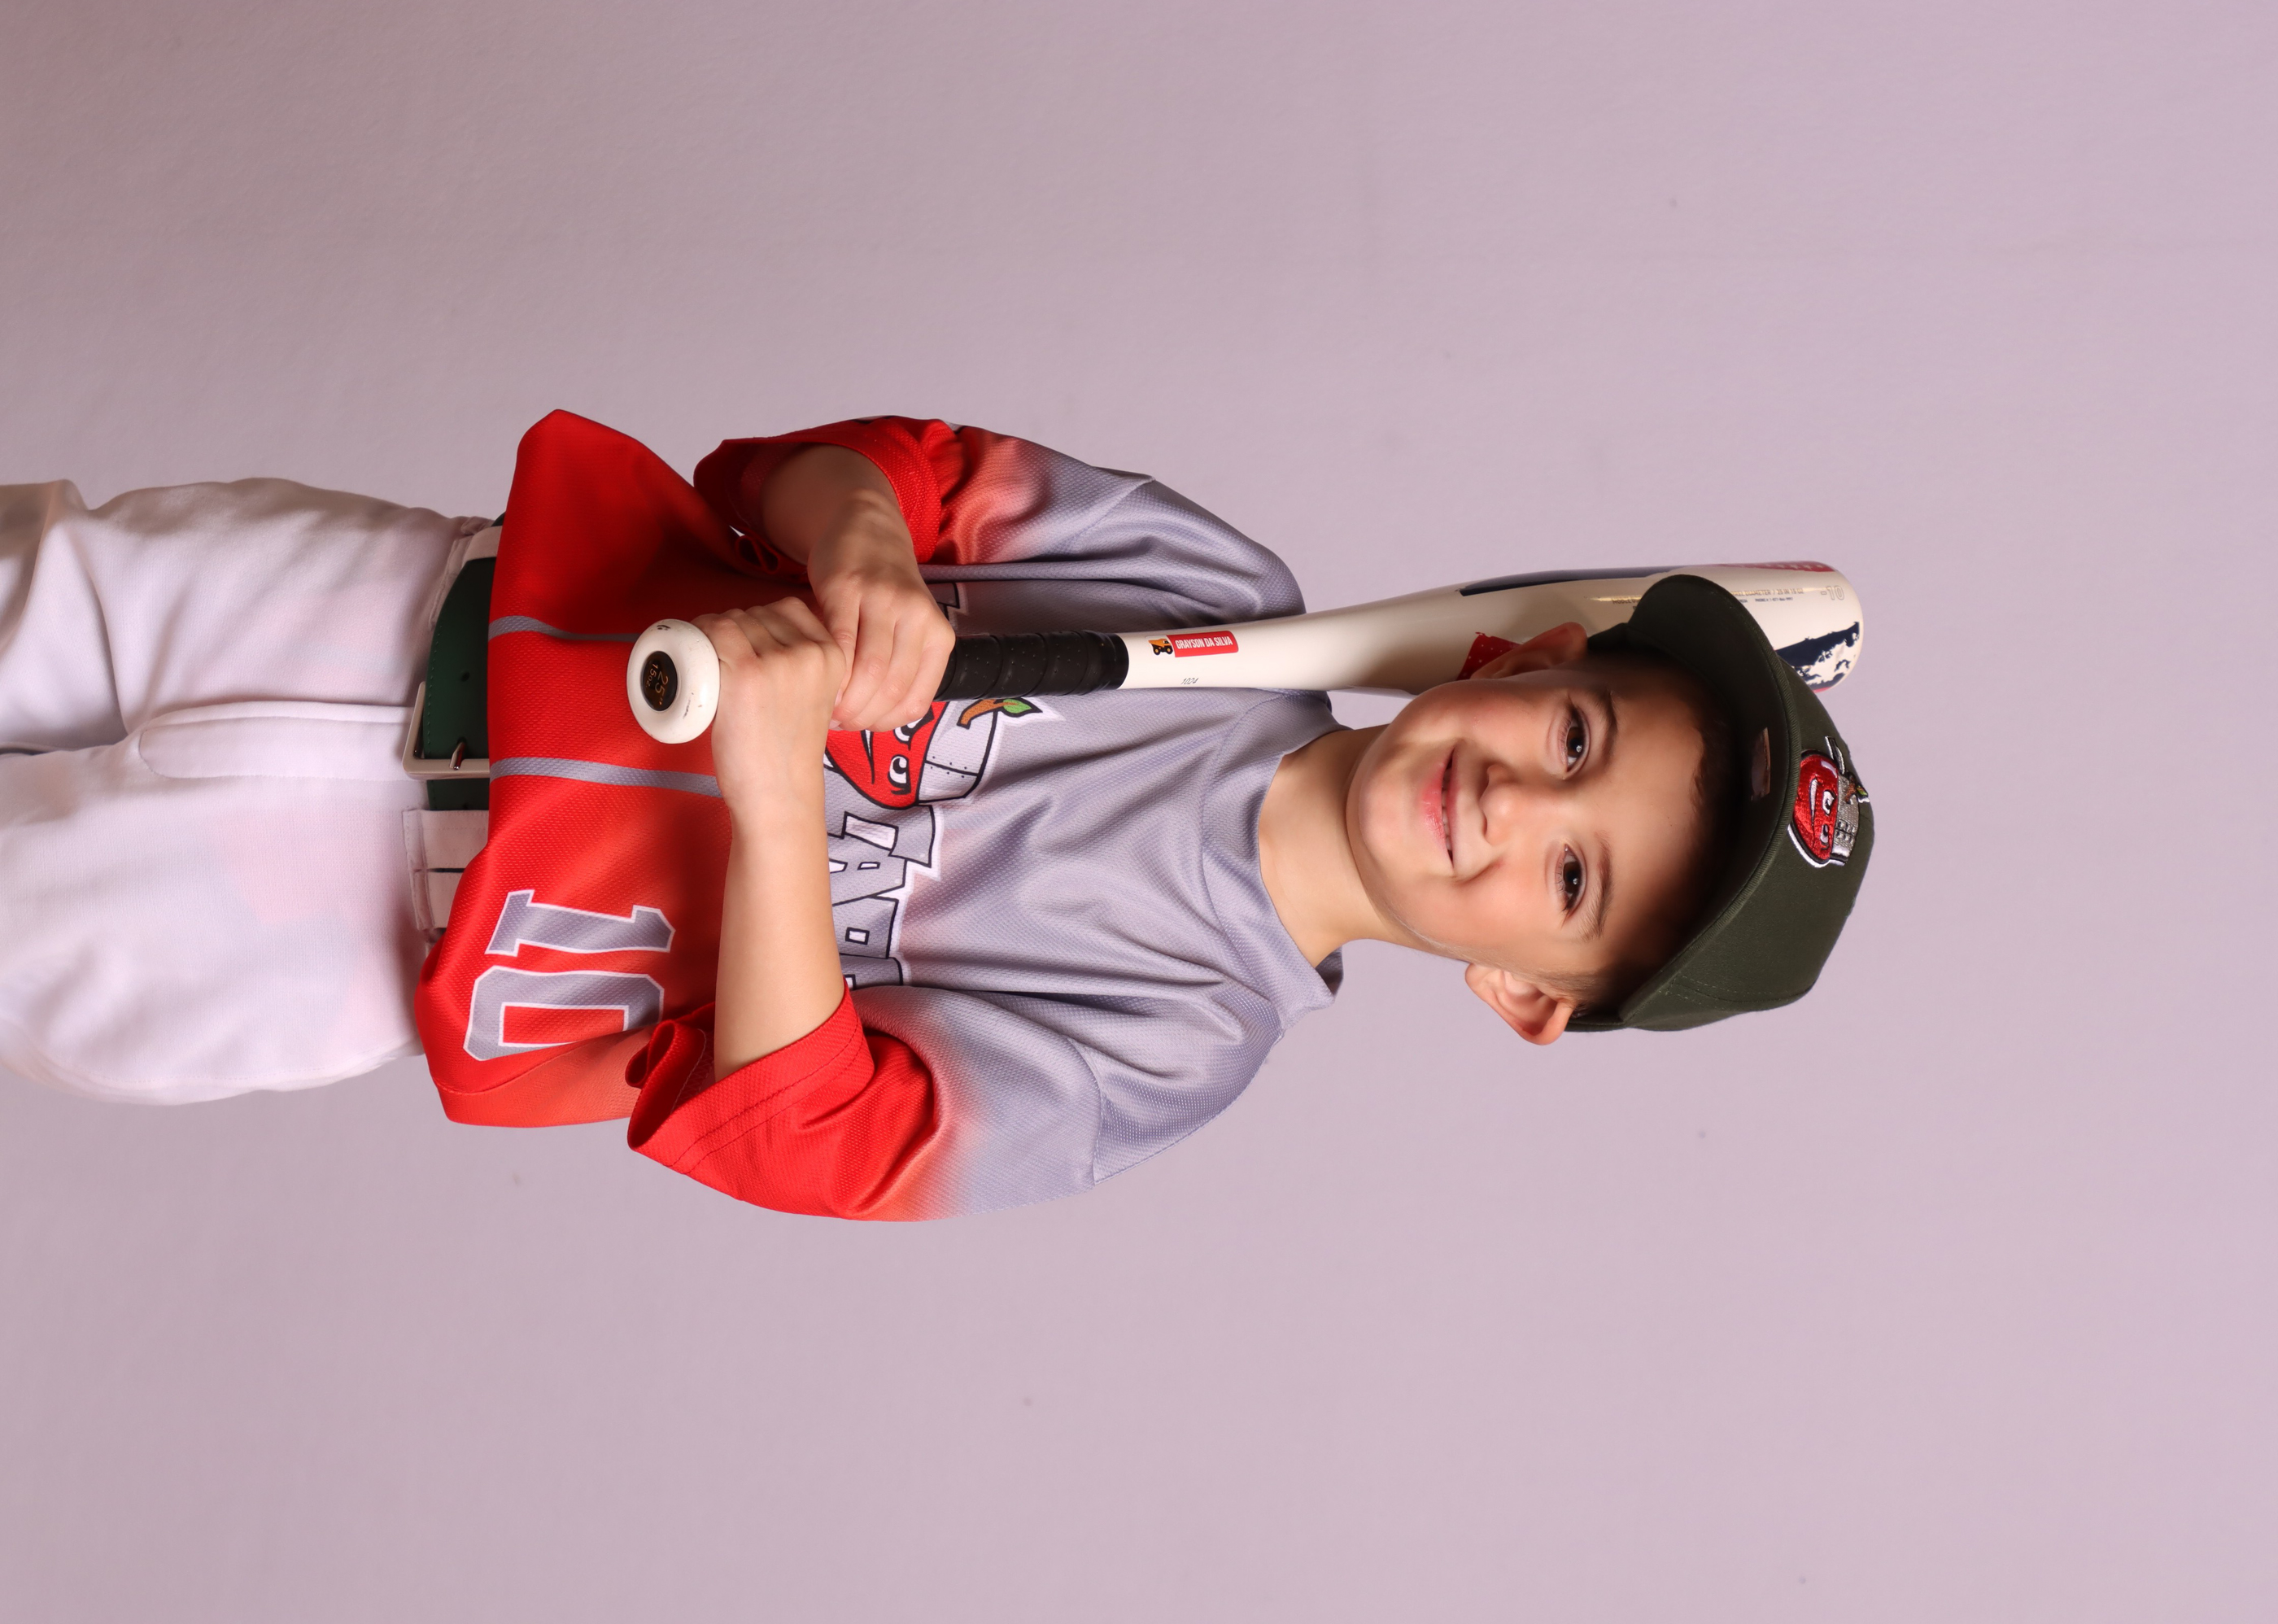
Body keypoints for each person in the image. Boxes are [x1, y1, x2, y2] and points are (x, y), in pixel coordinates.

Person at [0, 412, 1872, 1219]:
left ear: (1528, 994)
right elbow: (833, 466)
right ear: (1528, 652)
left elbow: (799, 1133)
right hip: (385, 601)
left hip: (342, 919)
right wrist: (861, 548)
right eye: (1572, 731)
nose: (1514, 801)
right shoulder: (1212, 585)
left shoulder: (1172, 1042)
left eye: (1570, 877)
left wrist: (770, 789)